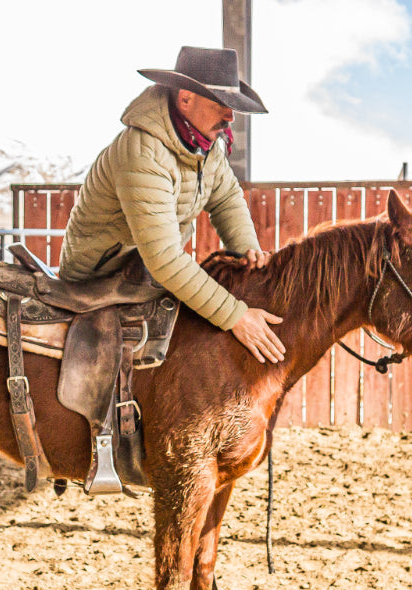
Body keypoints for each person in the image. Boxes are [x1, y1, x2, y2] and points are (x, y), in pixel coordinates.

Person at [58, 46, 286, 365]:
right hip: (102, 275)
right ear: (185, 99)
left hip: (146, 269)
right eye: (221, 104)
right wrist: (236, 316)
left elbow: (228, 199)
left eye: (233, 106)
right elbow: (164, 258)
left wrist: (247, 251)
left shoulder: (205, 146)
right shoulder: (142, 151)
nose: (230, 116)